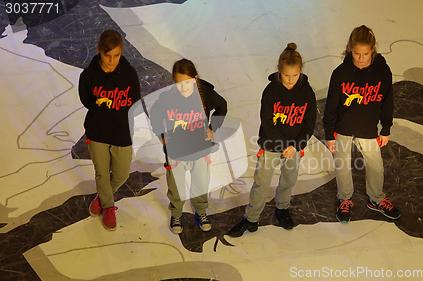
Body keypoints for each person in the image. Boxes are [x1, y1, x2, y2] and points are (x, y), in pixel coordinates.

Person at [228, 43, 317, 237]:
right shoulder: (271, 91)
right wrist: (283, 145)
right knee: (262, 182)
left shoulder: (307, 93)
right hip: (271, 145)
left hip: (294, 148)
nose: (290, 80)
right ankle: (251, 218)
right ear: (279, 71)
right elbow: (267, 122)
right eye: (286, 75)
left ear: (300, 71)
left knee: (289, 179)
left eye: (294, 75)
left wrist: (295, 145)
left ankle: (282, 209)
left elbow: (310, 123)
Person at [323, 25, 401, 223]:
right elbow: (331, 105)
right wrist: (328, 133)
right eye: (356, 53)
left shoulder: (382, 71)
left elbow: (387, 101)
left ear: (372, 50)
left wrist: (386, 128)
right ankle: (344, 199)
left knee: (375, 164)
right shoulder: (340, 73)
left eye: (365, 54)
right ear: (350, 49)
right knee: (342, 164)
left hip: (368, 128)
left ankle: (375, 198)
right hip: (343, 127)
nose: (361, 58)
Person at [150, 58, 227, 234]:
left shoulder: (204, 93)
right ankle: (176, 213)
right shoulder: (167, 97)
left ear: (196, 78)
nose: (184, 88)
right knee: (176, 186)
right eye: (179, 84)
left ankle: (201, 210)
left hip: (200, 149)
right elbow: (155, 113)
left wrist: (212, 128)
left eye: (187, 83)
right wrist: (160, 133)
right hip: (176, 152)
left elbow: (222, 106)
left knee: (200, 183)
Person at [78, 29, 141, 230]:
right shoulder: (88, 76)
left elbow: (136, 100)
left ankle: (102, 196)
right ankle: (108, 206)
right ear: (99, 51)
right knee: (102, 173)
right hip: (97, 131)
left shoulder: (129, 73)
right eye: (108, 56)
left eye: (116, 56)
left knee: (122, 174)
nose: (112, 61)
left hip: (122, 132)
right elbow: (87, 100)